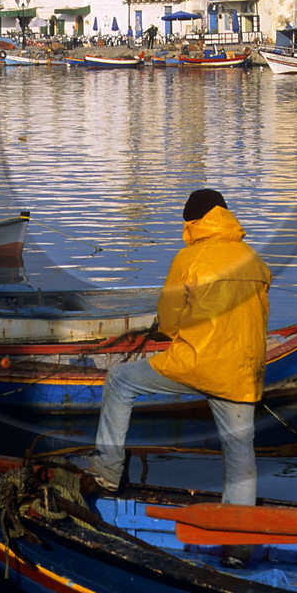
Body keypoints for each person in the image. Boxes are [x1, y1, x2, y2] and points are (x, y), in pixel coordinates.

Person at [91, 189, 270, 508]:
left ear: (193, 224)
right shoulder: (254, 258)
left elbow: (170, 321)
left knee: (120, 381)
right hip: (243, 370)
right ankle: (238, 545)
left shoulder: (188, 259)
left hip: (197, 363)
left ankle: (107, 474)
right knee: (240, 454)